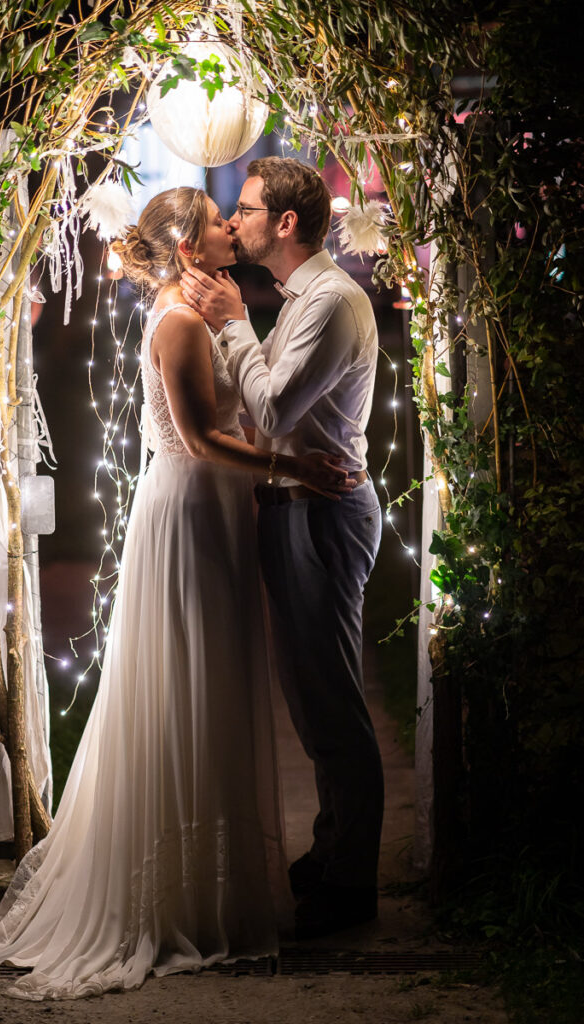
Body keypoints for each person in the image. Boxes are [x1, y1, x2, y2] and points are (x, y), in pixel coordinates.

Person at [0, 186, 353, 1000]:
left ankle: (204, 884)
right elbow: (200, 438)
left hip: (215, 509)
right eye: (217, 220)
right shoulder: (179, 321)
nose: (233, 223)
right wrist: (294, 467)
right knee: (188, 690)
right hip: (193, 513)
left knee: (211, 687)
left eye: (238, 214)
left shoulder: (198, 308)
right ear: (191, 248)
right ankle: (173, 901)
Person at [180, 157, 384, 940]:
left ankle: (346, 886)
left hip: (320, 512)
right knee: (310, 697)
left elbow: (269, 410)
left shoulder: (330, 303)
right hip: (295, 506)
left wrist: (233, 321)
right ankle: (330, 854)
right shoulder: (304, 298)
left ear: (285, 223)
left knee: (330, 702)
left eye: (248, 207)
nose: (236, 219)